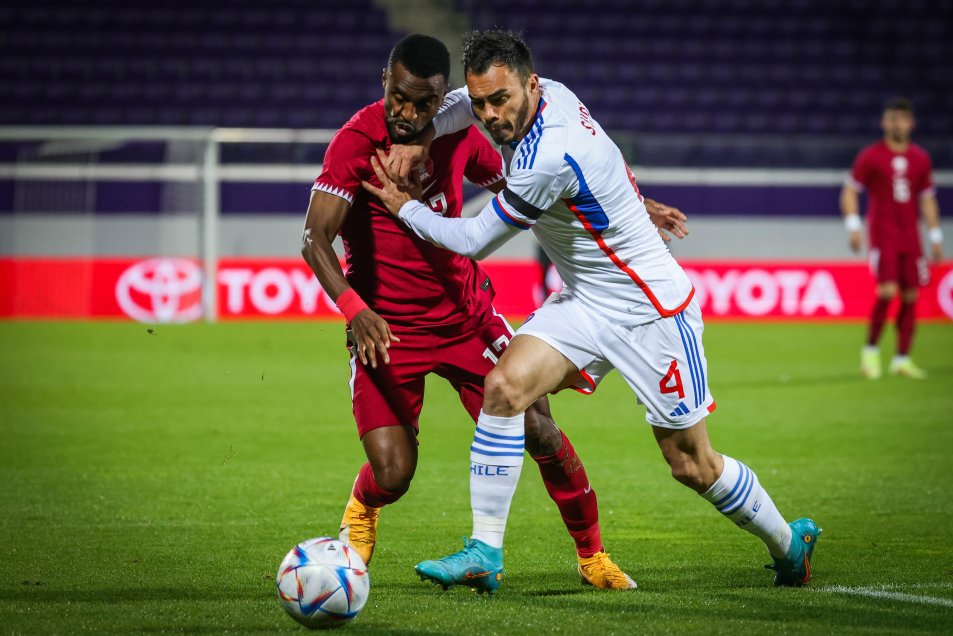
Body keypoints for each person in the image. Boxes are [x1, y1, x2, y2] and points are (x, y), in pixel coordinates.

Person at [364, 29, 820, 590]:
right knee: (503, 388)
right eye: (481, 101)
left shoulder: (549, 155)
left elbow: (476, 239)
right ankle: (484, 550)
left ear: (529, 85)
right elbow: (465, 108)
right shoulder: (552, 93)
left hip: (652, 312)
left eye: (500, 100)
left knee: (690, 464)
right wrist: (427, 131)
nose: (489, 116)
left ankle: (787, 542)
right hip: (585, 299)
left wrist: (405, 206)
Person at [302, 34, 684, 594]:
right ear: (385, 80)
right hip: (385, 331)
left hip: (465, 319)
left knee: (540, 430)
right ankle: (362, 509)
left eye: (424, 104)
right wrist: (356, 310)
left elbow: (526, 185)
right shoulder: (355, 143)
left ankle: (592, 553)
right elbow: (314, 239)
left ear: (442, 100)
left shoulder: (457, 136)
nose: (408, 114)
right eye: (399, 99)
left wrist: (629, 203)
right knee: (393, 472)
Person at [840, 97, 943, 380]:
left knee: (911, 295)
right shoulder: (871, 156)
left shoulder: (920, 158)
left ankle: (902, 359)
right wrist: (853, 225)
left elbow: (928, 199)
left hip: (911, 237)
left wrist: (935, 235)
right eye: (892, 118)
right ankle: (871, 351)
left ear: (911, 123)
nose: (897, 123)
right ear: (884, 122)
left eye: (902, 118)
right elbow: (850, 191)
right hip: (884, 235)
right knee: (887, 291)